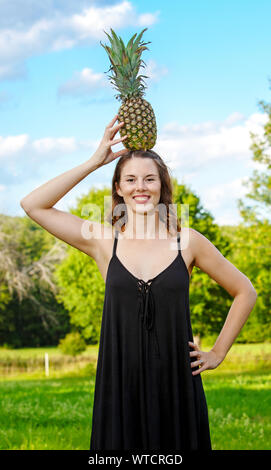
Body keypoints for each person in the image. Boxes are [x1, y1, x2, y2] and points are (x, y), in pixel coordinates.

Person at [20, 115, 258, 451]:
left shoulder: (187, 241)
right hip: (120, 385)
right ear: (118, 188)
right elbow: (33, 205)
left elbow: (245, 291)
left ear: (162, 185)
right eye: (130, 179)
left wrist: (218, 352)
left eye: (150, 179)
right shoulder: (103, 240)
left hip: (177, 385)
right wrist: (94, 161)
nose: (140, 187)